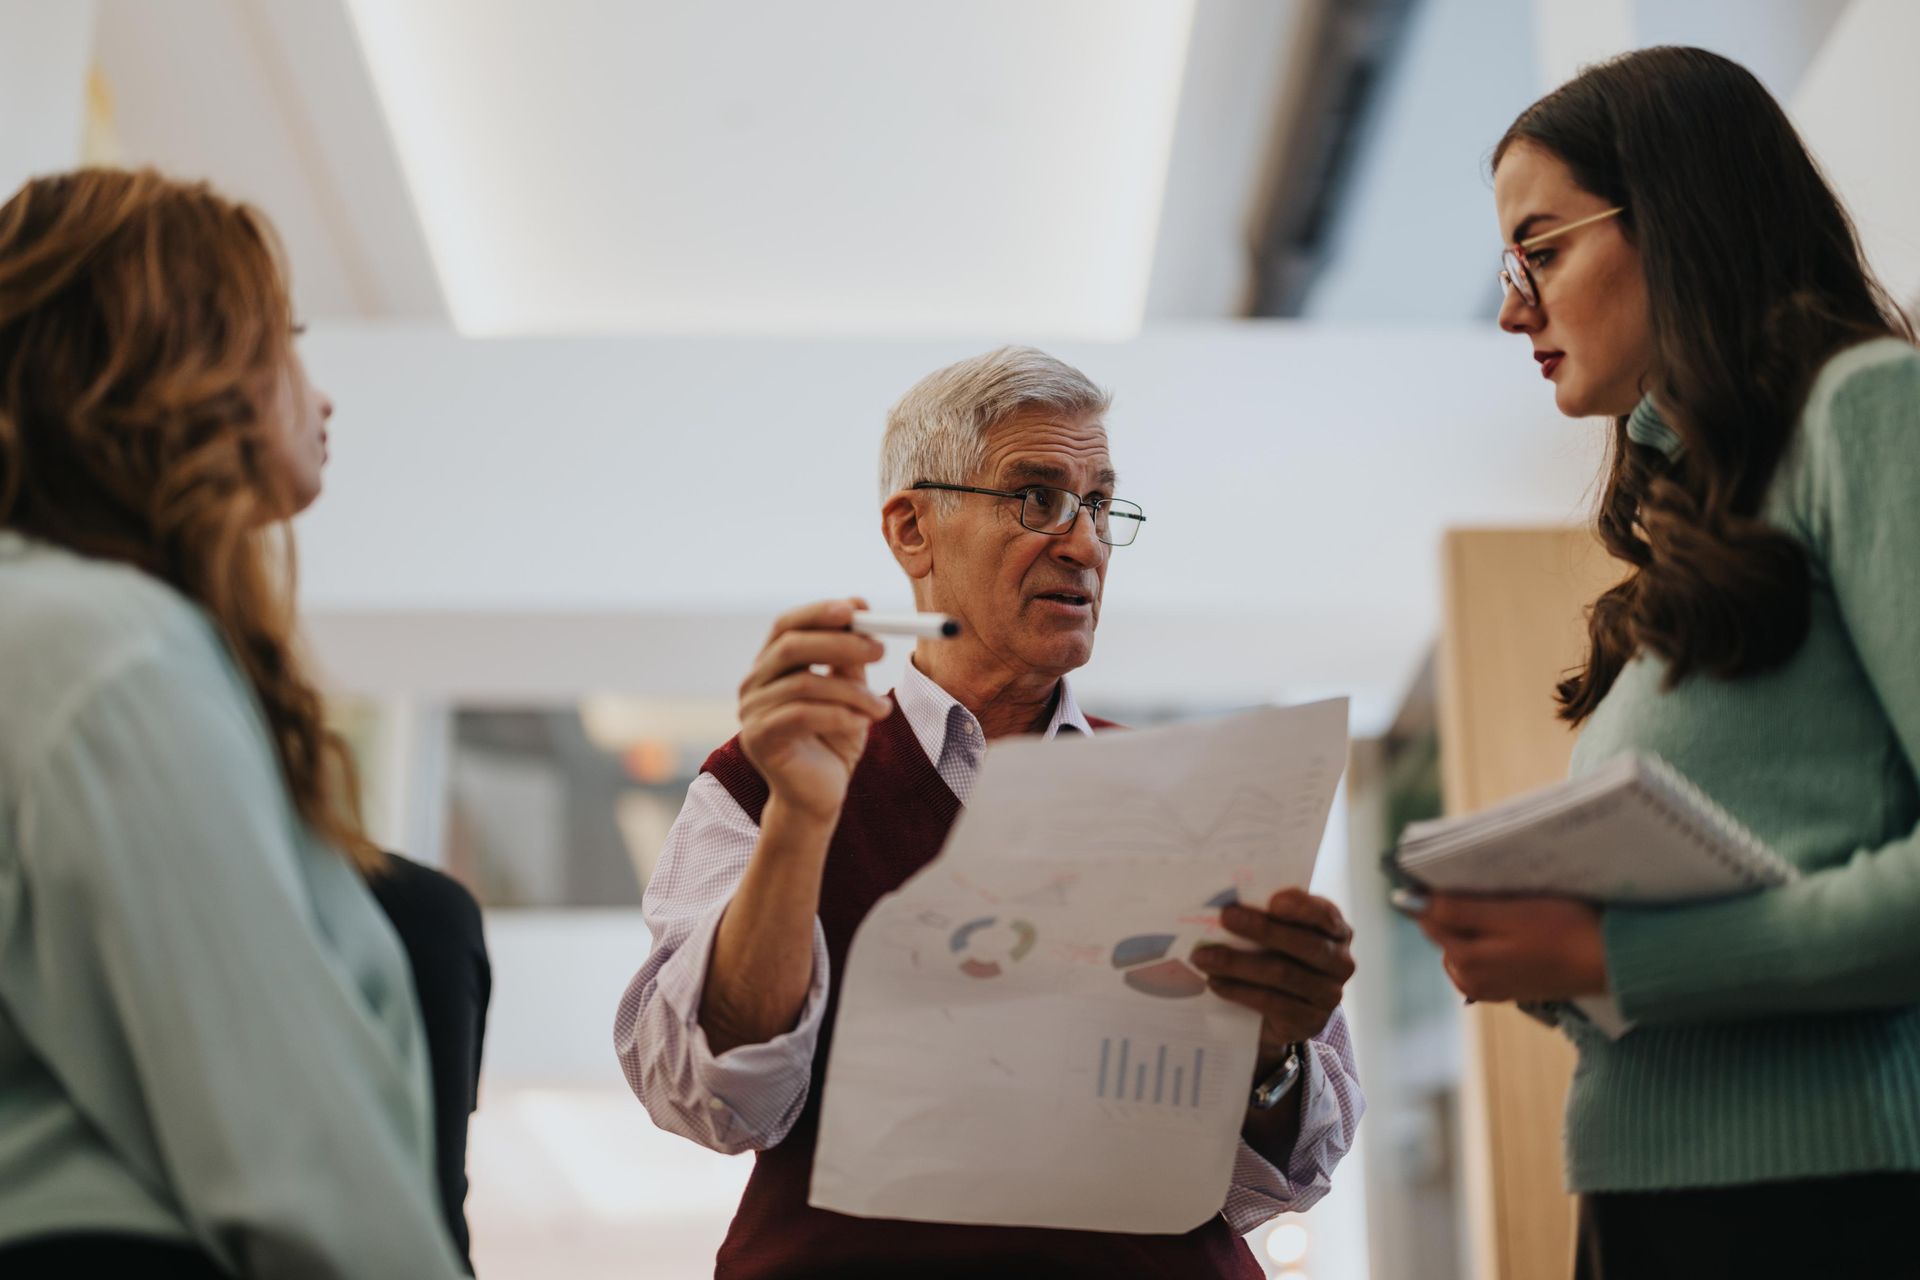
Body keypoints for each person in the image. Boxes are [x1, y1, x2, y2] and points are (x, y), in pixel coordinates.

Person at [615, 346, 1363, 1277]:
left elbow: (1283, 1182)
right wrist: (803, 827)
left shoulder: (1196, 793)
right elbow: (714, 1103)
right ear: (912, 530)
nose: (1084, 542)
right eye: (1038, 497)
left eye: (1097, 505)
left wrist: (1274, 1050)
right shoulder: (766, 780)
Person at [1409, 46, 1920, 1280]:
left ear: (1674, 219)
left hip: (1821, 1203)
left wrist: (1609, 955)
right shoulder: (1699, 518)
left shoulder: (1870, 409)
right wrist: (1540, 949)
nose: (1510, 304)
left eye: (1541, 248)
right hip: (1646, 1199)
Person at [0, 168, 469, 1278]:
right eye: (286, 341)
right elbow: (295, 1156)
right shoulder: (114, 656)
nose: (323, 395)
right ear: (187, 367)